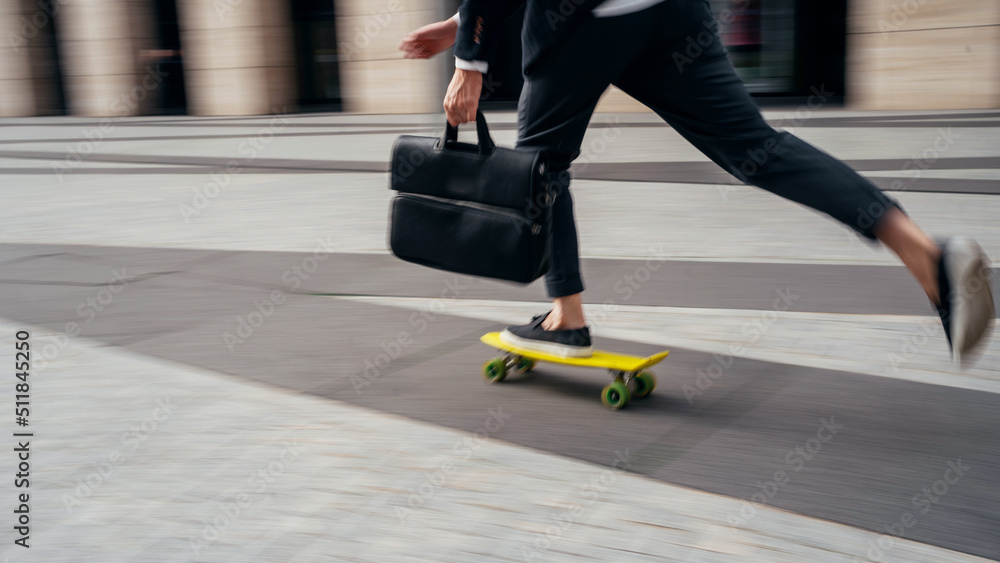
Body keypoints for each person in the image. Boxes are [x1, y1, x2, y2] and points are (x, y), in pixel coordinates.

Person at [399, 0, 994, 365]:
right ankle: (925, 254)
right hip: (670, 15)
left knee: (540, 167)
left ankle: (567, 318)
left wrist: (470, 61)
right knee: (755, 148)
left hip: (580, 23)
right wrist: (461, 23)